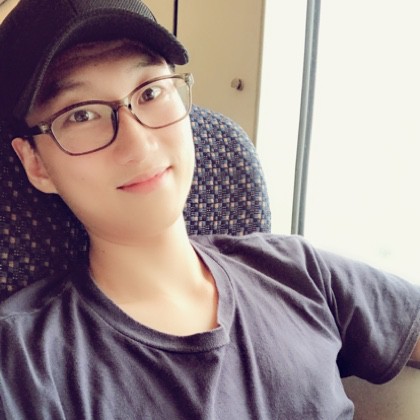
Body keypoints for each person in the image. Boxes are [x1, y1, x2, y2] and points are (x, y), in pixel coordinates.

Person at [0, 0, 419, 419]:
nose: (138, 144)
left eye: (150, 92)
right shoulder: (22, 365)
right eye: (81, 115)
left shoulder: (298, 270)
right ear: (36, 164)